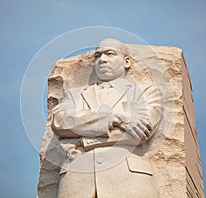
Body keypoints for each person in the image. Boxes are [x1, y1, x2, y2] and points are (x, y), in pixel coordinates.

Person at [51, 38, 163, 198]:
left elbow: (139, 133)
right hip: (77, 179)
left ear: (126, 61)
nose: (102, 60)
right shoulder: (74, 95)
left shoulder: (145, 92)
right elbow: (60, 123)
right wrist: (113, 118)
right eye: (97, 56)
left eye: (110, 54)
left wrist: (80, 141)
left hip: (129, 180)